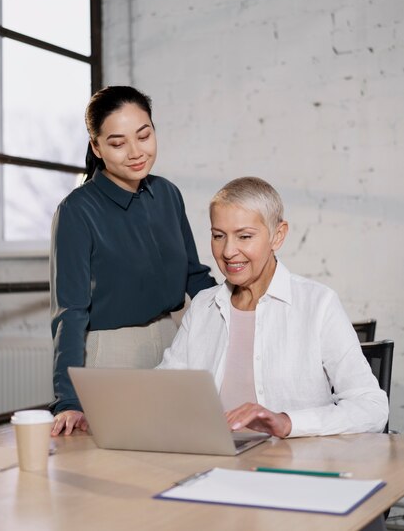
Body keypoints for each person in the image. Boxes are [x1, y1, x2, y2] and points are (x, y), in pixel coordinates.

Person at [158, 176, 389, 438]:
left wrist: (288, 422)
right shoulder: (203, 306)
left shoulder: (318, 304)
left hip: (291, 467)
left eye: (244, 236)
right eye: (218, 236)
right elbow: (165, 390)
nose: (228, 251)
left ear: (277, 236)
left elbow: (372, 407)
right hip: (215, 461)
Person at [50, 86, 216, 436]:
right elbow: (71, 311)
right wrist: (68, 400)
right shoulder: (77, 211)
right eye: (117, 142)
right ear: (96, 147)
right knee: (120, 473)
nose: (136, 152)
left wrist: (247, 304)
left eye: (144, 135)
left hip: (173, 344)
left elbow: (193, 276)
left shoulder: (168, 194)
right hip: (111, 355)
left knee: (177, 456)